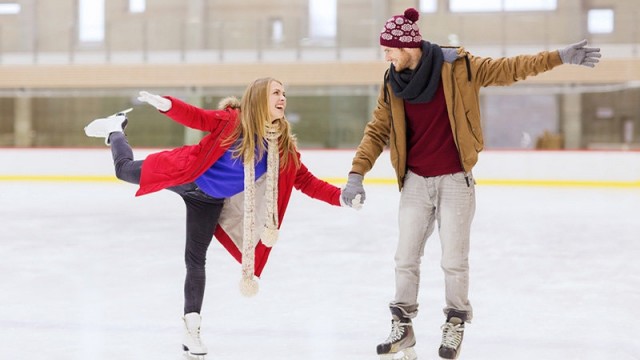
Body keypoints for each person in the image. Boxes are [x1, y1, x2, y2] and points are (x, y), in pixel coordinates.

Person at [340, 8, 601, 360]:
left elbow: (510, 69)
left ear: (409, 46)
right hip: (416, 181)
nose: (385, 56)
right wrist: (357, 173)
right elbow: (377, 130)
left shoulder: (458, 66)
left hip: (455, 180)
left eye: (389, 49)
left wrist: (558, 57)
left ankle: (455, 322)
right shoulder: (392, 83)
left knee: (454, 260)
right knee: (405, 257)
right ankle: (403, 325)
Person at [84, 77, 362, 359]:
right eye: (276, 92)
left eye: (284, 93)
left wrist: (341, 197)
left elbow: (308, 182)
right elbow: (197, 118)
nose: (283, 98)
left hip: (208, 201)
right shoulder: (232, 121)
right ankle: (115, 129)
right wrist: (168, 105)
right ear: (257, 98)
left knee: (195, 259)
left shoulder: (282, 149)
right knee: (124, 170)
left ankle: (191, 328)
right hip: (185, 173)